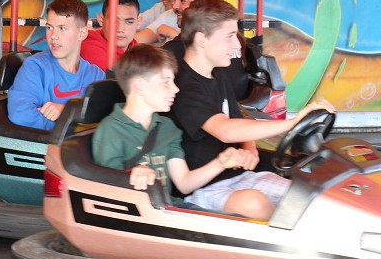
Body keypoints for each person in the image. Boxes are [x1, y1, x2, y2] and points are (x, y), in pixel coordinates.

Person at [169, 0, 334, 220]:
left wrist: (250, 149)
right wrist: (292, 123)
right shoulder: (184, 86)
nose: (237, 46)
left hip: (240, 176)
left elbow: (239, 120)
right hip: (202, 188)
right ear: (201, 39)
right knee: (254, 204)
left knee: (307, 196)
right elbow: (225, 129)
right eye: (229, 37)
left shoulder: (218, 75)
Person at [92, 44, 257, 212]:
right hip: (138, 216)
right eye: (166, 82)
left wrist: (221, 163)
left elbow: (184, 184)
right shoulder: (111, 130)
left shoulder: (166, 127)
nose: (176, 88)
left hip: (169, 208)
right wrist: (130, 174)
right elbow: (105, 188)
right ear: (139, 85)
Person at [8, 0, 105, 131]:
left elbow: (105, 116)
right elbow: (20, 114)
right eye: (49, 28)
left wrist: (66, 112)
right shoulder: (35, 68)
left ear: (82, 33)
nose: (53, 36)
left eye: (62, 28)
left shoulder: (96, 76)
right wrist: (71, 127)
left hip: (79, 150)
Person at [79, 0, 141, 71]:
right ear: (101, 20)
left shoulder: (134, 47)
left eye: (129, 22)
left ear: (138, 23)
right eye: (114, 21)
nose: (120, 29)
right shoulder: (90, 48)